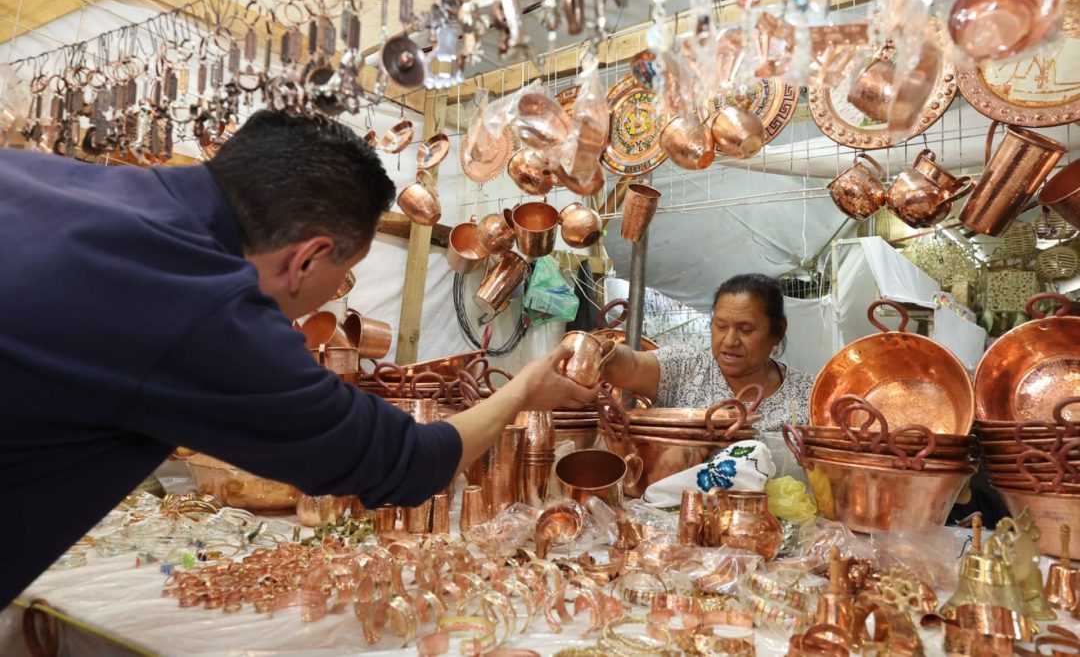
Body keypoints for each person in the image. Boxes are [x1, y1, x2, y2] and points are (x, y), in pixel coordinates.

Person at [0, 110, 598, 608]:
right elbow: (406, 462)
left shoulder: (32, 175)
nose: (338, 288)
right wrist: (520, 392)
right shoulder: (200, 304)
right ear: (308, 258)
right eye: (346, 271)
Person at [600, 274, 814, 434]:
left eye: (746, 329)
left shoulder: (809, 393)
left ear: (777, 332)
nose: (730, 341)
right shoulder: (685, 367)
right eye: (720, 326)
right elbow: (631, 366)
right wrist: (600, 350)